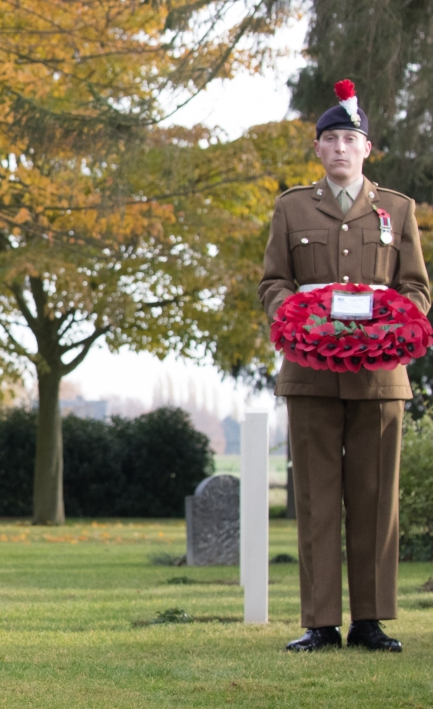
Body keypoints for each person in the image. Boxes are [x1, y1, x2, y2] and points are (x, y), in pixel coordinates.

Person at [259, 80, 430, 652]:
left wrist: (389, 327)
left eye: (349, 138)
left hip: (380, 377)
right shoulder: (291, 208)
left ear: (366, 147)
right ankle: (320, 623)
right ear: (317, 149)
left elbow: (416, 290)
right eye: (329, 138)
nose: (339, 148)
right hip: (309, 372)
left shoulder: (397, 210)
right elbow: (274, 283)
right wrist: (296, 317)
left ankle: (371, 621)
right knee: (315, 496)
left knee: (376, 497)